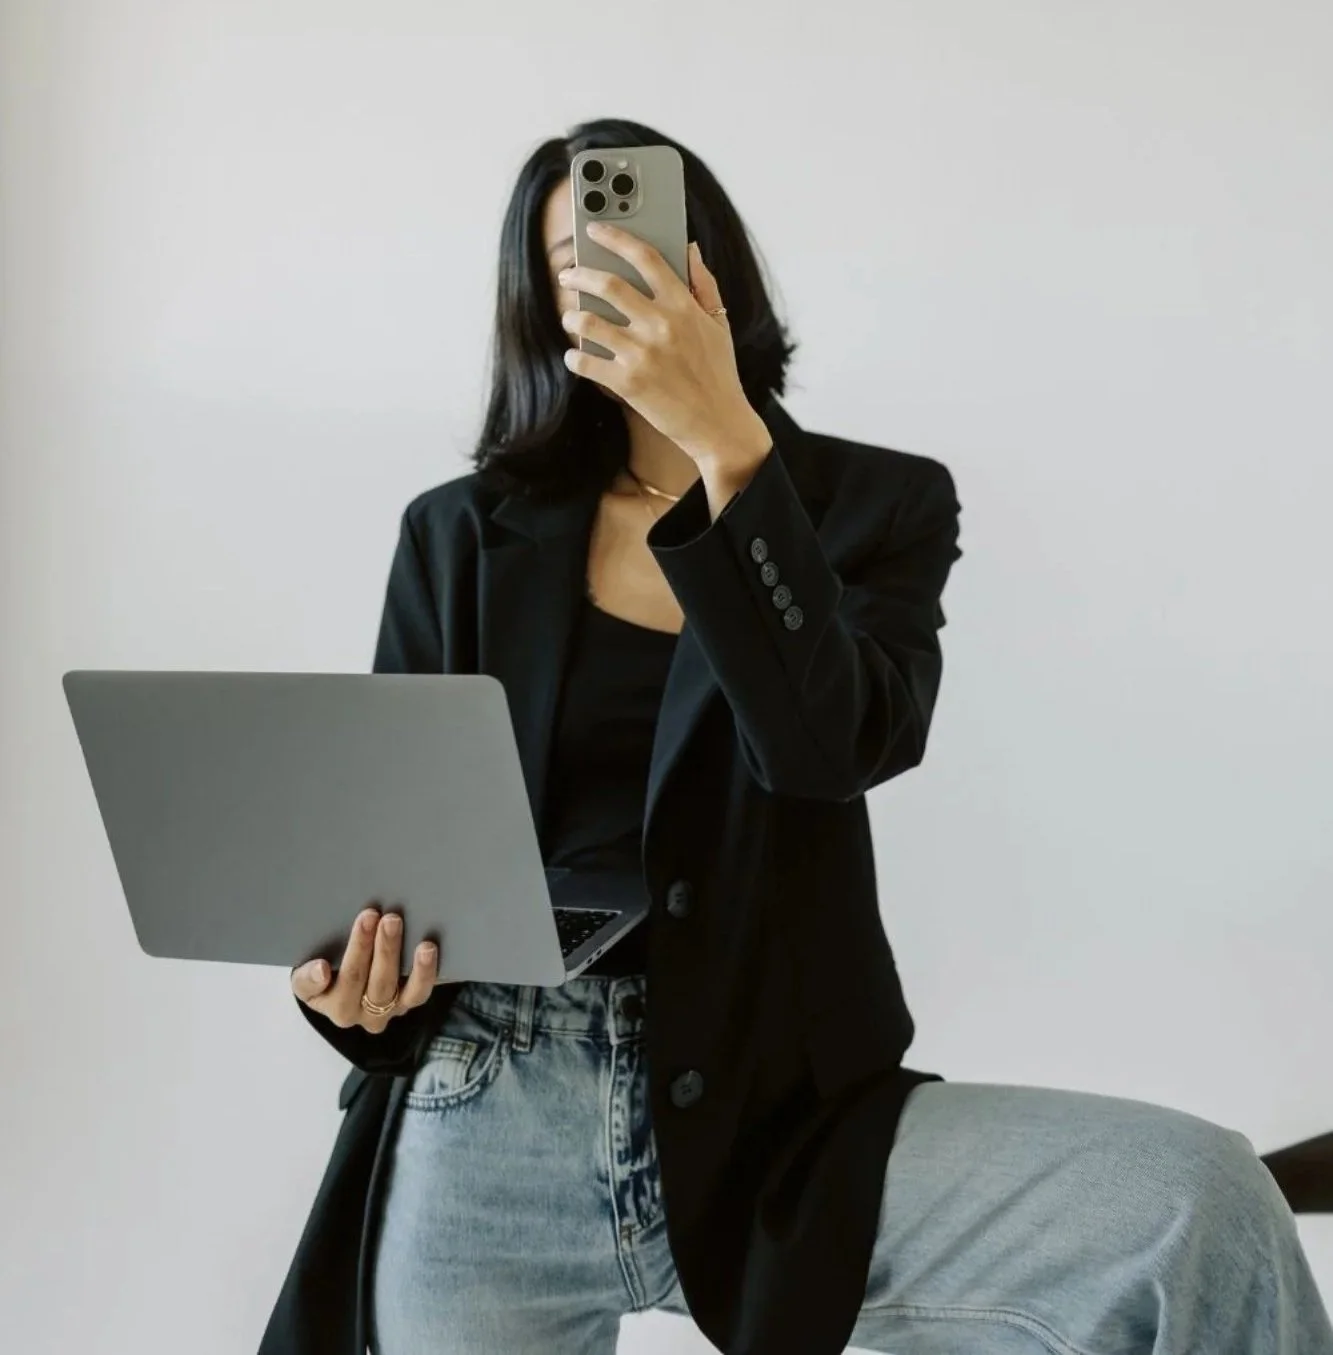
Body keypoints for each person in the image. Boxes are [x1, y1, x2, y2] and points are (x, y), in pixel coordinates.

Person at [264, 118, 1333, 1355]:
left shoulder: (878, 505)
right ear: (537, 305)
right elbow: (395, 859)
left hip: (781, 1108)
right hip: (491, 1089)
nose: (614, 284)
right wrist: (358, 992)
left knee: (1201, 1196)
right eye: (574, 265)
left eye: (641, 250)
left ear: (709, 269)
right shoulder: (458, 535)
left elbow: (827, 750)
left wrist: (729, 447)